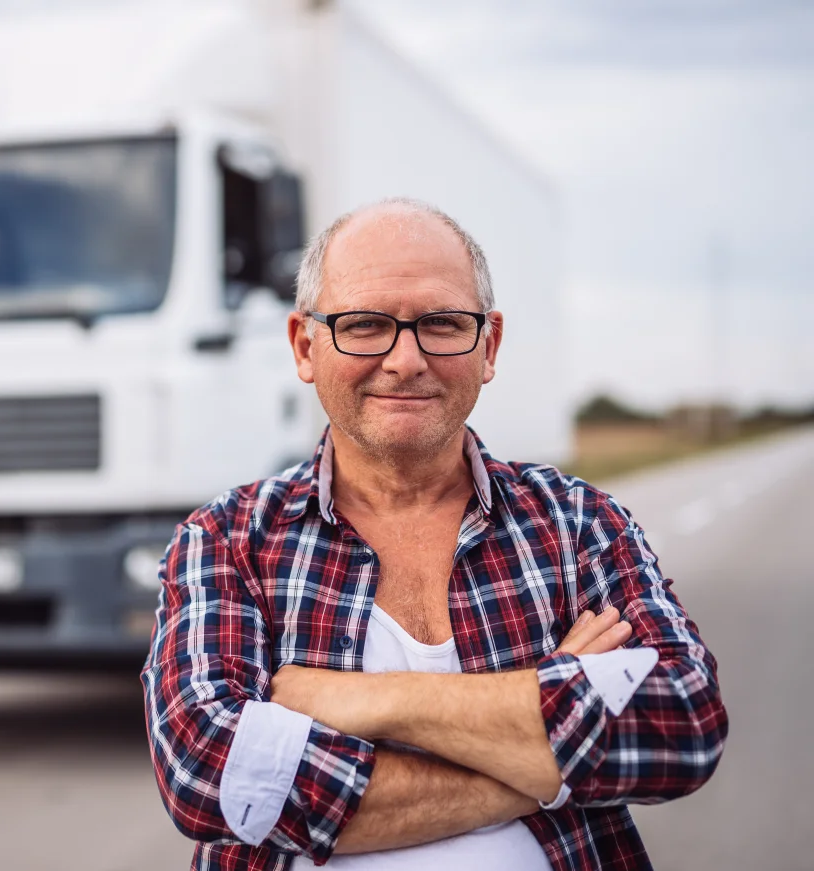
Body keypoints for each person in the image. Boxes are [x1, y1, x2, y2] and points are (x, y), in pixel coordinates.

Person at [141, 198, 728, 871]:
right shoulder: (227, 540)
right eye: (365, 325)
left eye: (443, 324)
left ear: (490, 346)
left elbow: (683, 722)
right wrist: (544, 726)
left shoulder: (578, 523)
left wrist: (359, 698)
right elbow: (212, 776)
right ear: (306, 346)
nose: (406, 358)